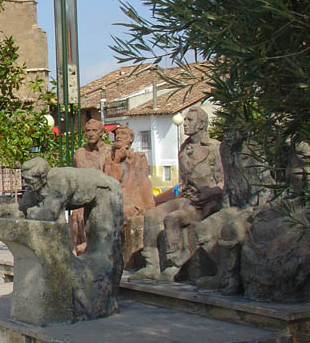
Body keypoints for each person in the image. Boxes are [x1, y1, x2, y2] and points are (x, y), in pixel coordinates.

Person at [132, 107, 224, 281]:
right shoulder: (184, 148)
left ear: (201, 124)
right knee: (151, 215)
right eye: (185, 120)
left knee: (172, 218)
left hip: (207, 202)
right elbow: (184, 181)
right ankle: (152, 265)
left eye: (190, 120)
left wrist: (209, 193)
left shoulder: (215, 148)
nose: (185, 124)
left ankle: (176, 263)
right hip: (187, 198)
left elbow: (223, 182)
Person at [102, 126, 155, 266]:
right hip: (114, 201)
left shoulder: (138, 158)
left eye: (123, 134)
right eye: (117, 134)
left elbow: (144, 183)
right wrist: (116, 161)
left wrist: (148, 206)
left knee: (120, 214)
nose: (118, 136)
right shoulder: (109, 159)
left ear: (130, 139)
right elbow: (109, 182)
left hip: (132, 202)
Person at [71, 118, 109, 253]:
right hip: (85, 195)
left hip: (104, 194)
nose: (91, 134)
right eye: (88, 131)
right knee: (77, 216)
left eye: (94, 130)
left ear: (101, 133)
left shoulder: (108, 151)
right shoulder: (80, 152)